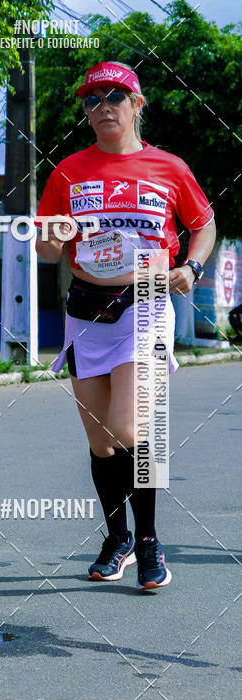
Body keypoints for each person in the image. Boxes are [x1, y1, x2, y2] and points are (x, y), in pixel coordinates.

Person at [36, 61, 216, 590]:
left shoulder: (169, 167)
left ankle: (149, 542)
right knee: (100, 442)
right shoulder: (68, 170)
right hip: (86, 310)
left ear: (138, 105)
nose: (104, 105)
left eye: (116, 95)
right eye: (93, 99)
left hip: (147, 302)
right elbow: (48, 247)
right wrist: (53, 237)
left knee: (128, 429)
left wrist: (192, 267)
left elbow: (202, 225)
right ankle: (116, 540)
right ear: (87, 114)